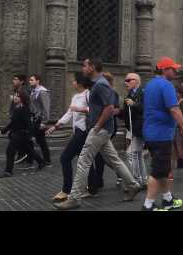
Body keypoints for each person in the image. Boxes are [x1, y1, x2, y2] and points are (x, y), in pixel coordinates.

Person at [53, 59, 141, 210]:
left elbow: (109, 108)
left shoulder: (100, 84)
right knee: (114, 160)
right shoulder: (97, 83)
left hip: (100, 129)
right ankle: (133, 185)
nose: (83, 68)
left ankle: (74, 198)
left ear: (92, 67)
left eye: (85, 65)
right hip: (102, 129)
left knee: (83, 161)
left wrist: (97, 126)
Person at [142, 57, 183, 211]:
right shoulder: (166, 85)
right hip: (161, 134)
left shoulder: (150, 84)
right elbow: (174, 109)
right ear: (164, 69)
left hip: (151, 132)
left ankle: (168, 199)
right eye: (173, 68)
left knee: (163, 168)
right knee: (158, 171)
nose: (176, 71)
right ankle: (148, 204)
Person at [46, 72, 99, 202]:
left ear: (80, 83)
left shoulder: (88, 94)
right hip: (77, 132)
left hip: (84, 131)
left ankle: (66, 190)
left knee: (65, 158)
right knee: (86, 160)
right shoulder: (75, 96)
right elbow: (69, 113)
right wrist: (55, 126)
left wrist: (79, 109)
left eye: (74, 81)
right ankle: (92, 188)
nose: (72, 83)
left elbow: (95, 110)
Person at [87, 72, 121, 195]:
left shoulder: (112, 92)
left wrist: (103, 116)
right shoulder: (99, 89)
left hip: (106, 126)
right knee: (104, 155)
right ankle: (122, 176)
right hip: (101, 126)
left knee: (101, 156)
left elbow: (116, 109)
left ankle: (98, 181)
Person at [0, 91, 46, 178]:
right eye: (15, 96)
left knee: (10, 150)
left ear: (22, 99)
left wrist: (32, 136)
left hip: (21, 133)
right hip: (19, 133)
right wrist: (4, 130)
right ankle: (41, 162)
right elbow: (13, 122)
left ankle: (8, 171)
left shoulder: (24, 109)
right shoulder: (17, 108)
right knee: (28, 149)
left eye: (17, 96)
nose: (15, 97)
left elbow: (29, 124)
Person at [117, 72, 149, 189]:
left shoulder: (143, 92)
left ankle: (136, 180)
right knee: (138, 154)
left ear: (136, 81)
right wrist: (117, 112)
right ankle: (144, 180)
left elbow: (146, 108)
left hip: (141, 128)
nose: (126, 82)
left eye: (128, 80)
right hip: (134, 128)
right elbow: (126, 112)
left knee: (131, 153)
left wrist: (134, 104)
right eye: (125, 80)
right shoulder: (129, 94)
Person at [28, 74, 52, 166]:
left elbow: (46, 108)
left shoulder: (42, 92)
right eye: (30, 80)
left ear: (38, 81)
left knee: (40, 140)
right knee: (41, 140)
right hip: (34, 119)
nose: (30, 81)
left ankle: (45, 160)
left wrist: (44, 122)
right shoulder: (34, 91)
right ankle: (45, 160)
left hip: (39, 120)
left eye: (32, 80)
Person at [9, 74, 32, 166]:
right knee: (20, 140)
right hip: (16, 118)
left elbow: (27, 105)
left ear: (21, 81)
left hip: (21, 121)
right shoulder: (16, 91)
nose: (13, 81)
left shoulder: (23, 92)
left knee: (14, 138)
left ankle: (24, 156)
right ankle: (28, 156)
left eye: (15, 79)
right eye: (13, 79)